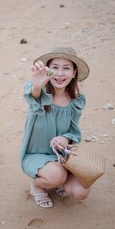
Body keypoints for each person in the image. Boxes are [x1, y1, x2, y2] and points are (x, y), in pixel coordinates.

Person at [20, 46, 90, 208]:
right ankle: (38, 185)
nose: (60, 74)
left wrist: (65, 138)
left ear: (73, 73)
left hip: (61, 156)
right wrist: (37, 85)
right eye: (55, 68)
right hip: (35, 154)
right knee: (56, 175)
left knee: (81, 192)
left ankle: (58, 180)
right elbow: (34, 96)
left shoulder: (76, 102)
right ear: (48, 71)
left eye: (66, 68)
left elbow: (74, 132)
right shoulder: (38, 93)